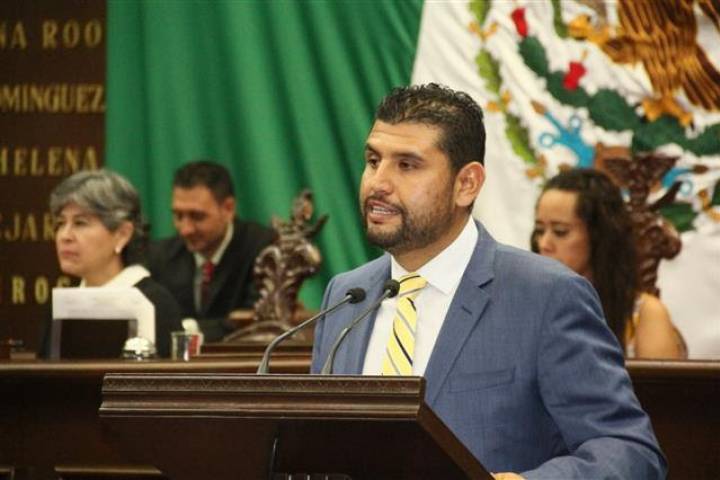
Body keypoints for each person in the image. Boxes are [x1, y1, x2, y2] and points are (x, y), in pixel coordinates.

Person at [310, 84, 666, 479]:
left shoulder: (546, 297)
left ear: (467, 184)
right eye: (373, 160)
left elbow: (630, 452)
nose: (378, 183)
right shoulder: (347, 296)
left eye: (407, 165)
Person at [532, 168, 687, 359]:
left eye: (560, 231)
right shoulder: (524, 306)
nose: (544, 244)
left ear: (599, 236)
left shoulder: (644, 314)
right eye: (540, 231)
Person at [49, 169, 182, 357]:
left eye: (80, 223)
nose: (64, 236)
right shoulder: (61, 304)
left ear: (122, 234)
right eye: (61, 223)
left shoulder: (154, 303)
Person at [147, 161, 276, 342]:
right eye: (178, 216)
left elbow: (255, 322)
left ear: (228, 208)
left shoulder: (264, 249)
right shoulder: (160, 255)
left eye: (197, 216)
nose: (185, 229)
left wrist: (186, 328)